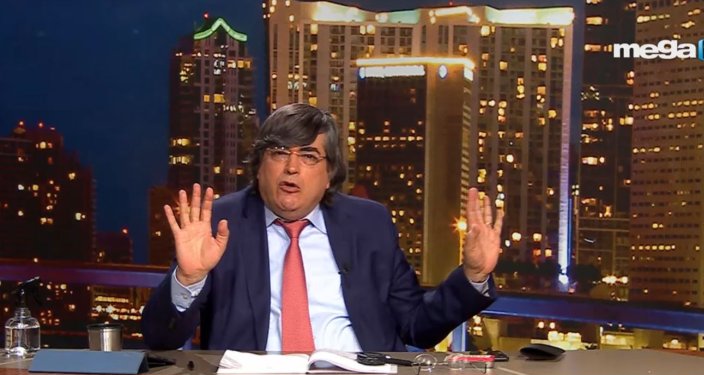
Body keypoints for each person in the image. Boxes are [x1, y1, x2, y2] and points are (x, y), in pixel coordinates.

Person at [142, 103, 503, 352]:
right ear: (259, 165)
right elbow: (160, 338)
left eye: (309, 156)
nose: (292, 167)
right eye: (279, 153)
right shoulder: (221, 224)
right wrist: (188, 279)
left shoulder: (369, 223)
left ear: (329, 173)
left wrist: (472, 275)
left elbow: (416, 326)